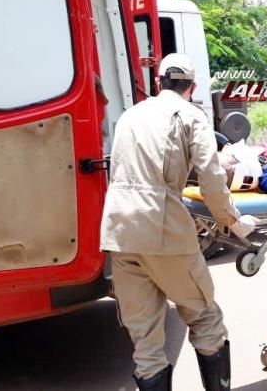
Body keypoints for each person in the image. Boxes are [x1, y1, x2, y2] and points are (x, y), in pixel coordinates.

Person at [101, 53, 258, 390]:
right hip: (160, 228)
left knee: (145, 340)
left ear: (159, 84)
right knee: (204, 317)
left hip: (118, 229)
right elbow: (211, 177)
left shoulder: (130, 115)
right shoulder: (191, 115)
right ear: (193, 87)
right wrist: (232, 220)